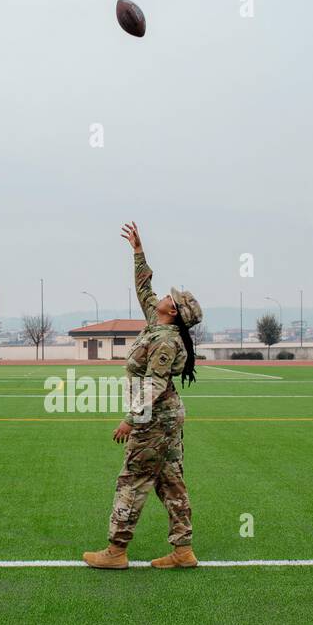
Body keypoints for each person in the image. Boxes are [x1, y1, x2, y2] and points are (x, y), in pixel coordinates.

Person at [83, 222, 202, 570]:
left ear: (175, 311)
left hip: (155, 419)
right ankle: (183, 551)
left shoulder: (165, 339)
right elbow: (144, 288)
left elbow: (154, 384)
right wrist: (138, 252)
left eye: (171, 297)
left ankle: (116, 551)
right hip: (165, 418)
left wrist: (130, 420)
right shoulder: (158, 322)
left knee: (133, 480)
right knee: (170, 481)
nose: (164, 296)